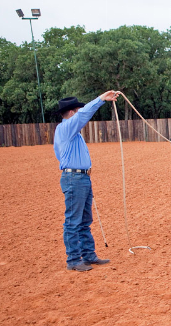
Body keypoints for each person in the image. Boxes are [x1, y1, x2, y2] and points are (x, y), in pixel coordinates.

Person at [54, 91, 120, 272]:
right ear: (72, 112)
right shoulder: (67, 128)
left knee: (84, 220)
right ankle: (74, 260)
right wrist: (100, 100)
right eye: (78, 110)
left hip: (79, 177)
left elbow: (59, 154)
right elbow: (84, 114)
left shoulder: (69, 132)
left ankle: (88, 254)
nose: (80, 112)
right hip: (75, 178)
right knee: (73, 221)